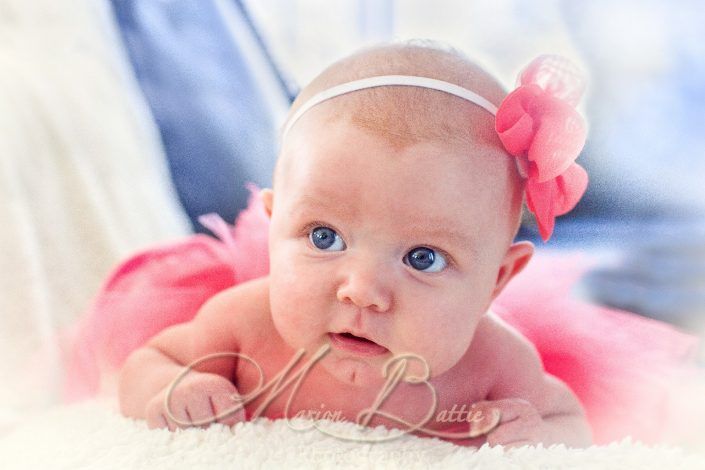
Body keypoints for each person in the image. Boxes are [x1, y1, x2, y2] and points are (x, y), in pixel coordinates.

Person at [116, 41, 596, 449]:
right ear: (273, 227)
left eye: (422, 259)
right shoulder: (242, 327)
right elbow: (149, 362)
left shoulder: (495, 364)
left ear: (497, 280)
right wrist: (173, 388)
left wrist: (539, 436)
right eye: (324, 238)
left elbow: (568, 422)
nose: (361, 290)